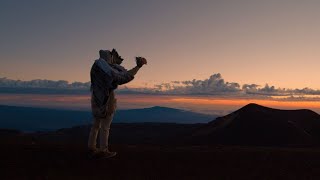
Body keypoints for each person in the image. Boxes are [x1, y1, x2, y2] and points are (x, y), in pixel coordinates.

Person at [88, 49, 147, 158]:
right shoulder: (104, 67)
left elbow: (121, 74)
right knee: (105, 125)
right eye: (115, 57)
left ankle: (91, 147)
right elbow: (122, 77)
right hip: (106, 98)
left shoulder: (97, 66)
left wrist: (136, 67)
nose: (119, 59)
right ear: (109, 57)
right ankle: (103, 150)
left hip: (96, 97)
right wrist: (138, 67)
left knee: (96, 124)